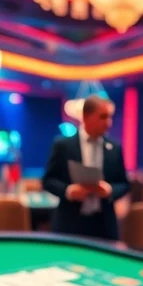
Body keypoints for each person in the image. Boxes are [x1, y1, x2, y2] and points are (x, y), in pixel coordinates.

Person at [43, 95, 129, 240]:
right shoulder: (63, 145)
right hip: (69, 225)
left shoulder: (115, 148)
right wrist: (69, 191)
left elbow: (124, 184)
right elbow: (48, 180)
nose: (108, 123)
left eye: (110, 117)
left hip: (104, 226)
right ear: (86, 116)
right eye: (103, 117)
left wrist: (110, 190)